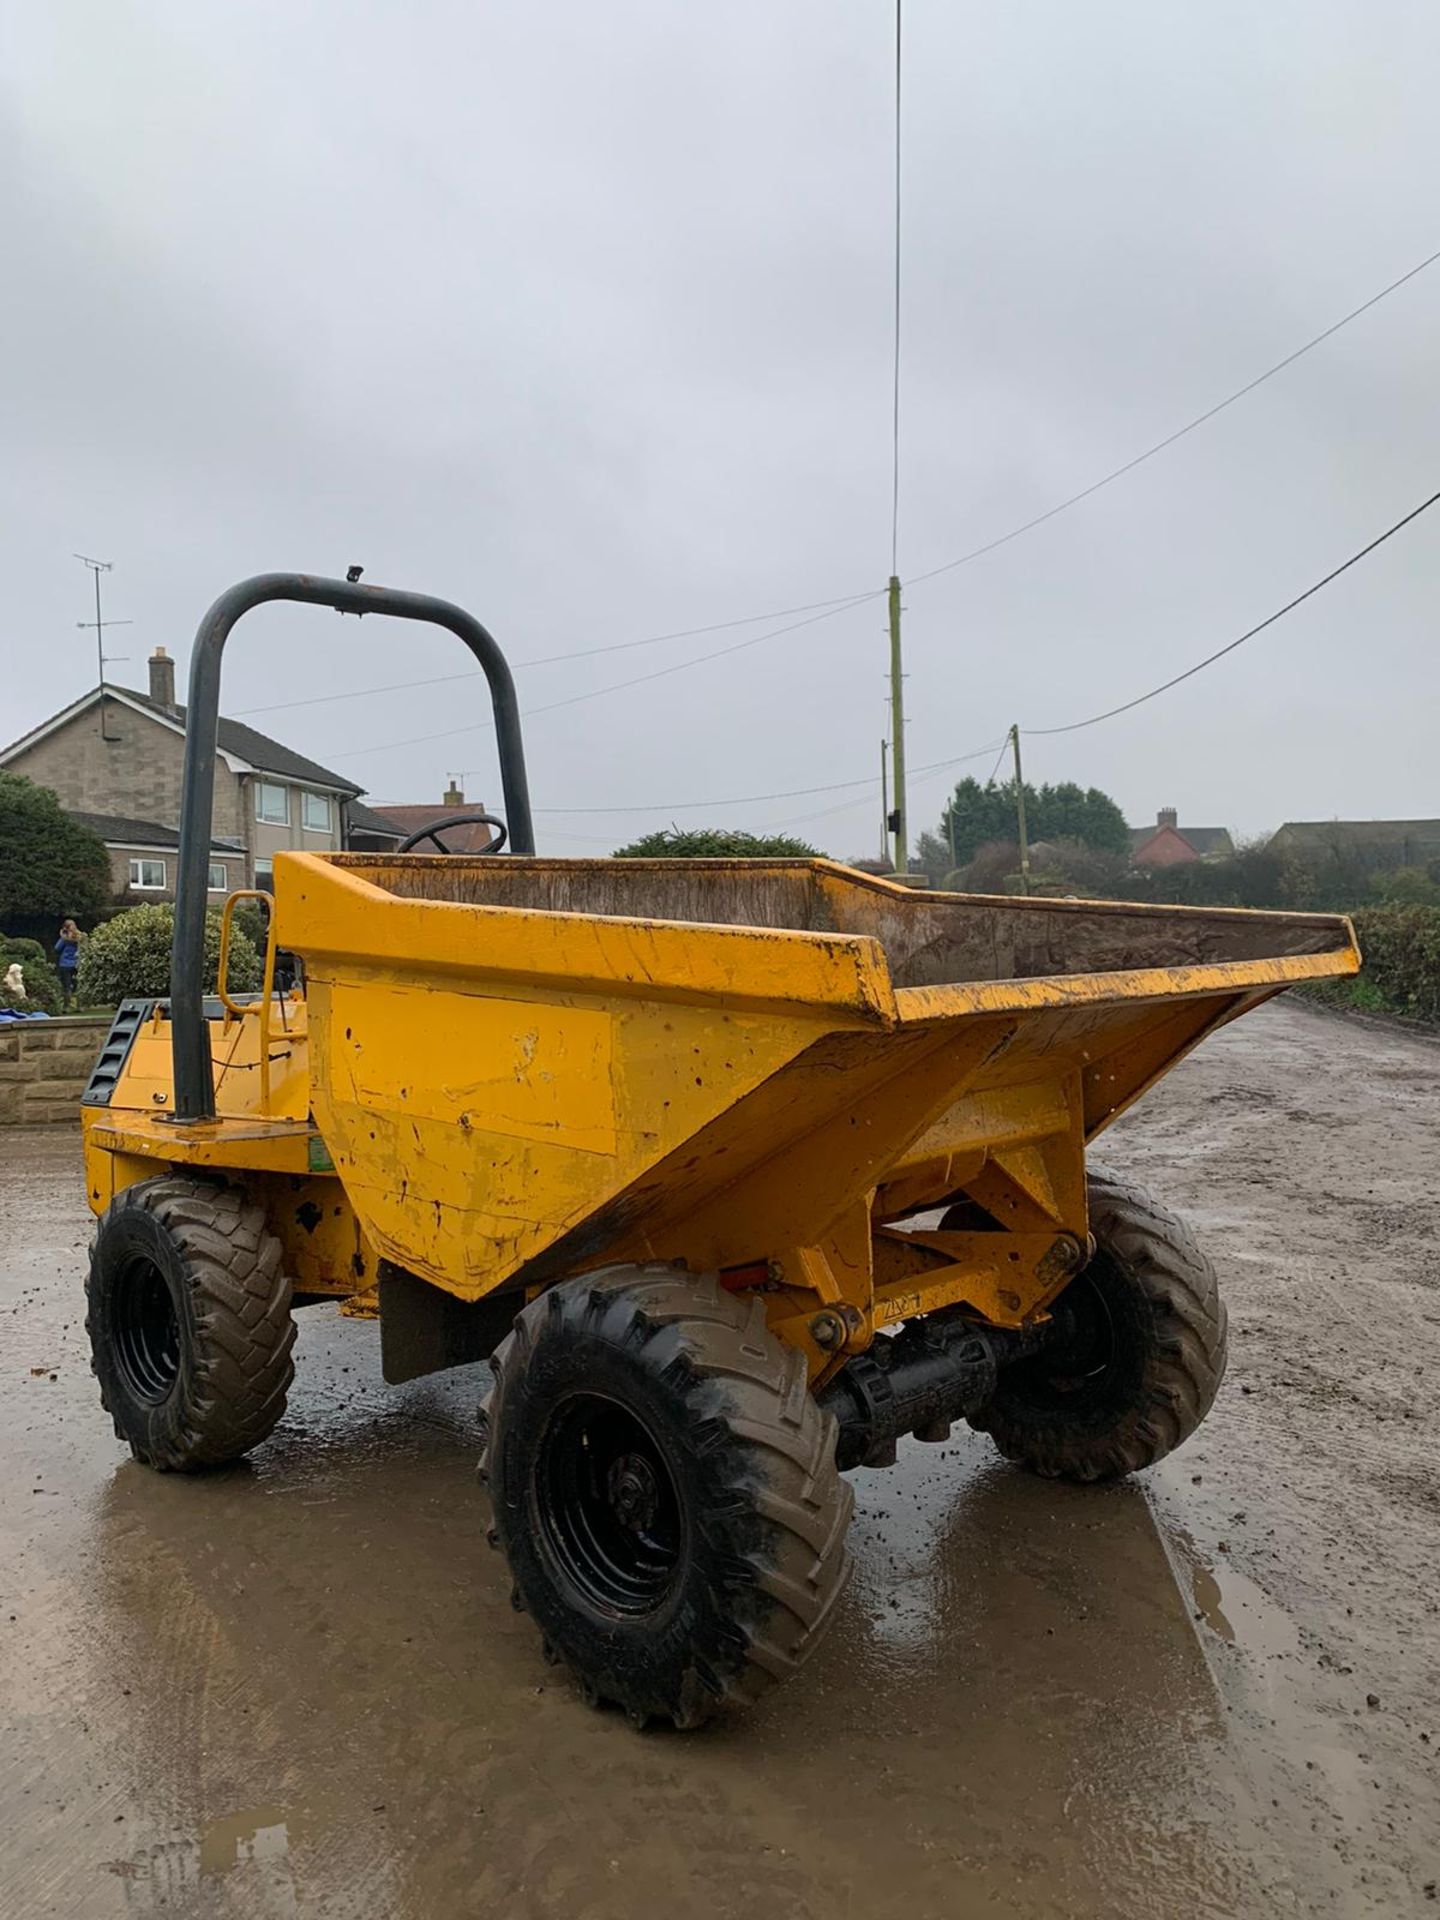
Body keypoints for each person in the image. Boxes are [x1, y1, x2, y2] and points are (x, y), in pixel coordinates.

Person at [54, 918, 83, 1006]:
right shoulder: (79, 937)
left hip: (65, 964)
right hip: (77, 963)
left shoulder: (64, 938)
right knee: (78, 985)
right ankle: (80, 1006)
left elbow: (57, 948)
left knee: (67, 986)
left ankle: (66, 1006)